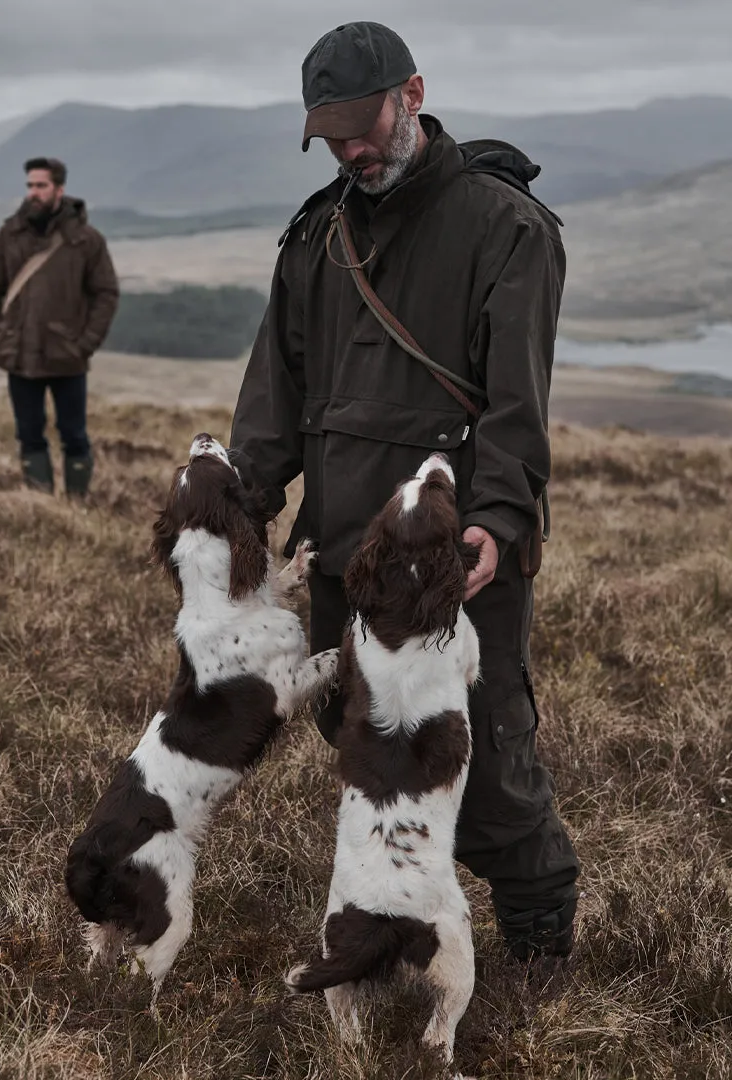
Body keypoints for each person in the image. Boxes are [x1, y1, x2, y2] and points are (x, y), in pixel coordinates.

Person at [229, 22, 579, 960]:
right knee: (368, 750)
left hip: (451, 562)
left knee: (489, 762)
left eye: (364, 124)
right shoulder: (317, 235)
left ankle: (542, 949)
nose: (352, 149)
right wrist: (241, 514)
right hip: (342, 547)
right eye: (330, 134)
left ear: (412, 94)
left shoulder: (506, 227)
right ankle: (404, 927)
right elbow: (277, 391)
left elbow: (517, 406)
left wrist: (500, 520)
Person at [0, 156, 119, 496]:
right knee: (29, 434)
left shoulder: (85, 240)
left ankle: (76, 506)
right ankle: (39, 505)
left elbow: (106, 294)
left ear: (59, 189)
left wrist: (85, 343)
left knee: (74, 436)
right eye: (30, 186)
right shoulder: (9, 236)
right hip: (20, 355)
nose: (33, 193)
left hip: (67, 356)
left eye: (41, 185)